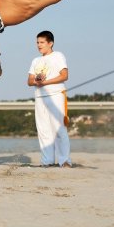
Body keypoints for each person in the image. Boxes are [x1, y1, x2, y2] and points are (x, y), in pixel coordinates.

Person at [28, 30, 72, 168]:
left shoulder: (58, 56)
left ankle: (64, 160)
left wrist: (45, 82)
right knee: (43, 130)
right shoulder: (36, 60)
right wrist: (37, 80)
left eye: (42, 42)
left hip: (56, 95)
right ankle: (47, 161)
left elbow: (64, 75)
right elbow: (29, 81)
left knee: (59, 129)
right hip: (40, 97)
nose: (39, 45)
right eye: (37, 42)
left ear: (50, 43)